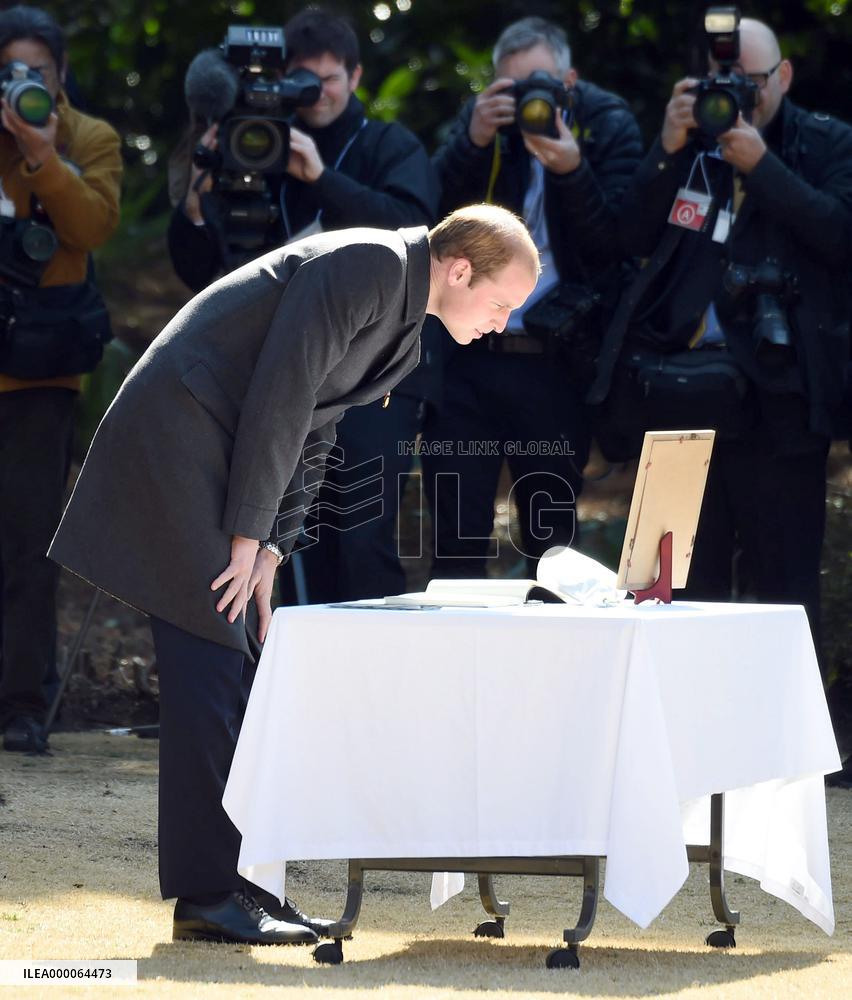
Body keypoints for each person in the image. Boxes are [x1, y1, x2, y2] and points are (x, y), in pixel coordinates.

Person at [48, 205, 540, 945]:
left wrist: (273, 548)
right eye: (502, 303)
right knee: (210, 659)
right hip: (181, 433)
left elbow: (316, 424)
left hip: (222, 451)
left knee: (240, 662)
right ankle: (206, 896)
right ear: (460, 270)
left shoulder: (407, 330)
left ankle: (240, 885)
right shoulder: (370, 264)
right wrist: (249, 529)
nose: (503, 323)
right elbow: (284, 388)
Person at [591, 16, 852, 643]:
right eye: (717, 81)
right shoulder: (687, 147)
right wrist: (666, 149)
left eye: (749, 83)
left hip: (780, 406)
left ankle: (784, 740)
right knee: (670, 599)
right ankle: (673, 737)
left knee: (783, 599)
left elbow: (840, 236)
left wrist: (762, 167)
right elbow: (625, 240)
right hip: (678, 401)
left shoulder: (825, 142)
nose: (731, 96)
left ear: (783, 77)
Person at [168, 9, 442, 605]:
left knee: (361, 534)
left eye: (329, 79)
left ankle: (366, 689)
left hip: (375, 379)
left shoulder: (389, 145)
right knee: (277, 535)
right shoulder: (253, 142)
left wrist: (321, 178)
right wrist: (196, 196)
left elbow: (416, 236)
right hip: (281, 376)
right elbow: (201, 269)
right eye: (301, 79)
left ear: (356, 76)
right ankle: (281, 681)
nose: (315, 93)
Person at [423, 16, 642, 579]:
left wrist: (571, 170)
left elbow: (617, 245)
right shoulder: (481, 129)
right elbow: (430, 221)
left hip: (555, 360)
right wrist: (470, 143)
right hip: (467, 358)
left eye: (539, 84)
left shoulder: (606, 124)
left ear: (569, 80)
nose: (527, 102)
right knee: (455, 539)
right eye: (513, 89)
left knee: (552, 545)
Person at [0, 5, 121, 754]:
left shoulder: (90, 139)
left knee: (26, 544)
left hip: (41, 375)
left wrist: (42, 153)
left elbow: (93, 228)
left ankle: (21, 704)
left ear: (60, 75)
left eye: (36, 72)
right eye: (9, 70)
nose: (23, 83)